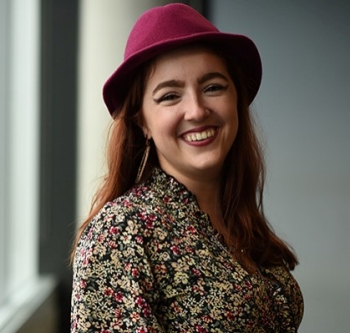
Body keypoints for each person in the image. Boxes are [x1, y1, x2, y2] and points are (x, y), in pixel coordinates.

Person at [70, 3, 303, 332]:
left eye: (213, 87)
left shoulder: (238, 220)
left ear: (236, 99)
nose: (196, 110)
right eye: (169, 96)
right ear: (142, 123)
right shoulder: (122, 232)